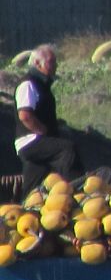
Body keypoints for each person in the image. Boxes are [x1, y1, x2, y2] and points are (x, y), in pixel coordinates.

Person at [14, 45, 80, 194]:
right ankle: (77, 192)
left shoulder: (41, 85)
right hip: (30, 140)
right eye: (51, 62)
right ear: (37, 64)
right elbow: (25, 115)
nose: (56, 65)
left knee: (34, 183)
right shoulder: (28, 84)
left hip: (37, 141)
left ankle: (27, 206)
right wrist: (42, 130)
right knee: (67, 149)